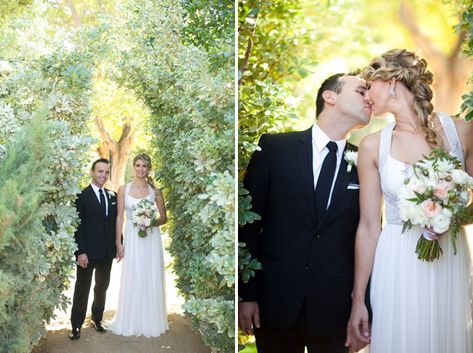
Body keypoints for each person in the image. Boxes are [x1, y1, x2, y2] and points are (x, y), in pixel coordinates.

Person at [346, 49, 473, 353]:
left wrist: (450, 219)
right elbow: (368, 226)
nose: (366, 96)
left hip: (449, 256)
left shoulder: (462, 131)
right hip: (396, 260)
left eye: (369, 85)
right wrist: (358, 300)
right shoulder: (372, 146)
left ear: (390, 81)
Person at [238, 73, 372, 353]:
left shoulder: (365, 161)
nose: (369, 98)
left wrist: (363, 306)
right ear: (330, 97)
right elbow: (247, 224)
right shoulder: (274, 148)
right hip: (274, 303)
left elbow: (370, 235)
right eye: (361, 91)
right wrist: (245, 294)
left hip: (335, 310)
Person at [111, 153, 168, 337]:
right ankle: (131, 320)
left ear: (149, 169)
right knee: (133, 275)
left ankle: (150, 321)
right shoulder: (123, 189)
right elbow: (120, 216)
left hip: (150, 239)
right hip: (132, 238)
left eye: (144, 166)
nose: (141, 169)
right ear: (133, 167)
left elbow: (164, 218)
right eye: (137, 165)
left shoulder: (156, 192)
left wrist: (150, 222)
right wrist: (118, 242)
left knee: (149, 275)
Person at [69, 158, 117, 340]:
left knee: (102, 287)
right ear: (92, 172)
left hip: (106, 253)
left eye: (106, 172)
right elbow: (77, 226)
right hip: (87, 253)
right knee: (82, 289)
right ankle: (75, 326)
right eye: (100, 171)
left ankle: (97, 319)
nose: (103, 175)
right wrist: (81, 251)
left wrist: (118, 245)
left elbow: (114, 224)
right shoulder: (81, 196)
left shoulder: (112, 196)